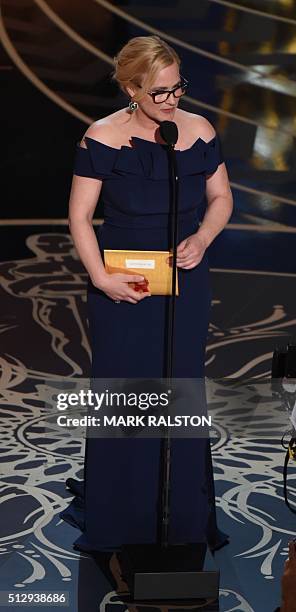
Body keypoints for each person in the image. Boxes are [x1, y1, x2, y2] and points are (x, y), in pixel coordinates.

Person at [61, 35, 233, 553]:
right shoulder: (102, 137)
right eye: (159, 92)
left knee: (179, 387)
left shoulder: (198, 130)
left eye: (177, 87)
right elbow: (79, 217)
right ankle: (122, 513)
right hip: (122, 285)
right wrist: (100, 277)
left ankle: (180, 512)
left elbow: (222, 197)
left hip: (184, 283)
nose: (172, 100)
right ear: (132, 88)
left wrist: (202, 237)